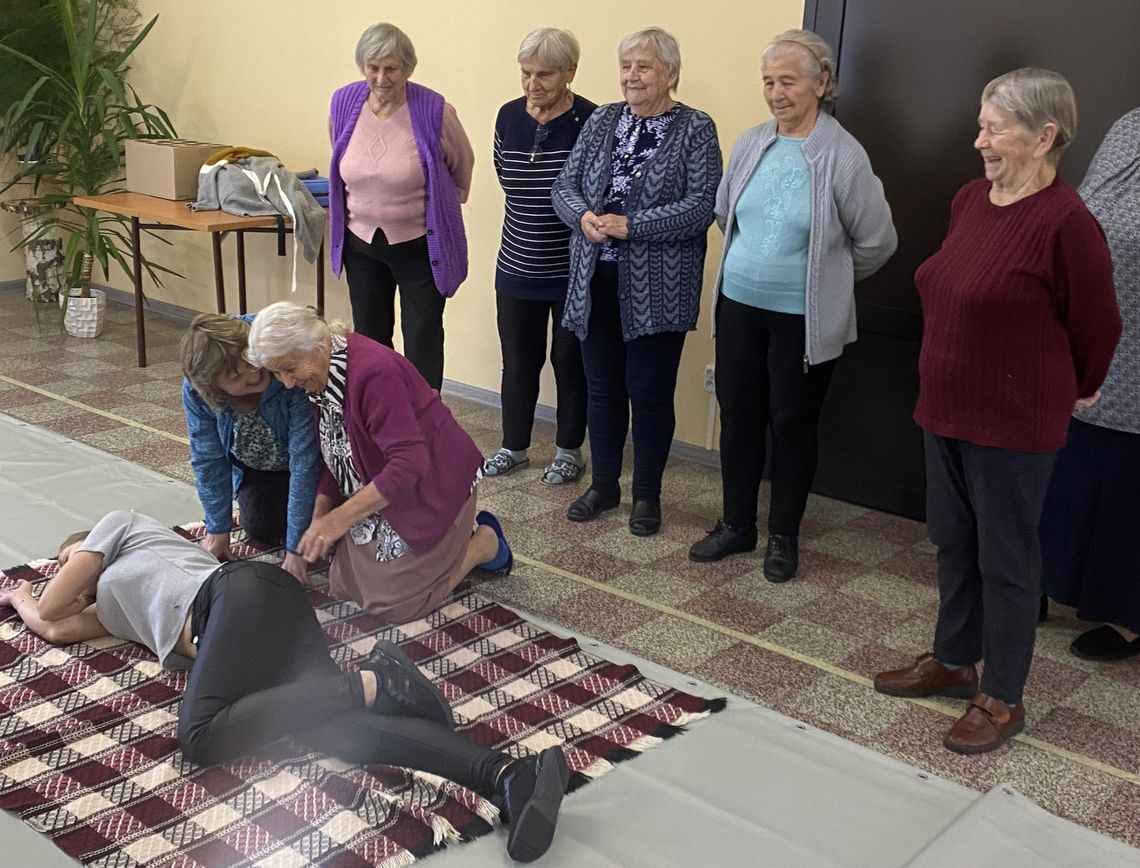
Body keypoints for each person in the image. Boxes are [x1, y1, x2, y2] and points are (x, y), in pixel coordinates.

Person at [0, 510, 568, 863]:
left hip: (238, 594)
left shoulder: (121, 528)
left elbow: (53, 599)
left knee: (199, 737)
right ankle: (508, 775)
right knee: (339, 734)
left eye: (70, 560)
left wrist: (49, 578)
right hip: (255, 634)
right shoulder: (112, 611)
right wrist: (19, 600)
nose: (69, 574)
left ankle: (372, 680)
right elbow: (53, 623)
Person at [873, 69, 1121, 754]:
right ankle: (955, 662)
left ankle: (1001, 697)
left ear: (1046, 137)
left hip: (1014, 421)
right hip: (944, 408)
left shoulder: (1068, 222)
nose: (977, 139)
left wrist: (1082, 383)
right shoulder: (970, 199)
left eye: (993, 127)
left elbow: (1098, 323)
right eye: (980, 124)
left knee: (1007, 561)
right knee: (953, 541)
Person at [686, 29, 896, 582]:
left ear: (822, 82)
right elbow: (724, 211)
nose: (776, 93)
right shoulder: (754, 141)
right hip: (738, 306)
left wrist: (827, 281)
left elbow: (877, 242)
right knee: (739, 417)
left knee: (792, 424)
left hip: (801, 320)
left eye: (788, 80)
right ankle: (736, 525)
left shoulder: (843, 156)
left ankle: (783, 536)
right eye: (768, 82)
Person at [551, 27, 721, 536]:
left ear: (670, 73)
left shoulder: (695, 128)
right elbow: (565, 184)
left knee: (648, 393)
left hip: (658, 289)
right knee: (601, 389)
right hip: (594, 279)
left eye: (644, 67)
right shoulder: (602, 119)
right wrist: (582, 217)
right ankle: (604, 485)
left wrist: (634, 226)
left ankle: (647, 496)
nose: (632, 76)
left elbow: (701, 205)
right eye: (626, 66)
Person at [245, 301, 512, 625]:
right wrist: (320, 515)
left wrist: (340, 517)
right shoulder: (321, 372)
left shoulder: (373, 373)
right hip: (383, 486)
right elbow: (337, 452)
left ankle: (483, 544)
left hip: (434, 486)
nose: (287, 382)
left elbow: (410, 464)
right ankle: (438, 553)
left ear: (316, 344)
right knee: (343, 587)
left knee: (396, 606)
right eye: (277, 373)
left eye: (289, 368)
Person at [1040, 108, 1140, 661]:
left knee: (1129, 483)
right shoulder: (1129, 125)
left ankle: (1128, 614)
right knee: (1078, 467)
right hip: (1100, 331)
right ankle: (1054, 584)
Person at [328, 22, 475, 391]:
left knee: (422, 336)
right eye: (372, 67)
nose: (380, 77)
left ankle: (426, 418)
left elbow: (462, 165)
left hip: (419, 247)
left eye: (391, 68)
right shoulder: (344, 102)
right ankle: (380, 411)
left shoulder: (433, 109)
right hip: (360, 245)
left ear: (408, 67)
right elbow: (340, 158)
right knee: (371, 337)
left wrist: (441, 207)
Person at [482, 28, 596, 487]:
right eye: (527, 73)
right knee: (518, 360)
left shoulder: (590, 119)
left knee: (570, 363)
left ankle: (570, 451)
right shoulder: (508, 116)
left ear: (569, 72)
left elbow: (594, 191)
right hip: (516, 264)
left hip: (571, 270)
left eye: (545, 74)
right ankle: (514, 446)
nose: (533, 83)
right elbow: (504, 175)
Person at [181, 313, 322, 585]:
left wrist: (295, 549)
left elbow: (305, 462)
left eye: (251, 361)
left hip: (316, 463)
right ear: (213, 386)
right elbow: (207, 459)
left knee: (325, 534)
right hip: (259, 467)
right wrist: (218, 528)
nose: (254, 374)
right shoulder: (197, 391)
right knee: (261, 527)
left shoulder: (283, 368)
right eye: (235, 376)